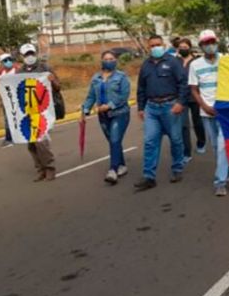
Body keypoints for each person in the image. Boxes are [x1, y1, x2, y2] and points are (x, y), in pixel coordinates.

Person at [135, 35, 189, 191]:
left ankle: (177, 168)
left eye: (158, 45)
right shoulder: (145, 65)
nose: (155, 48)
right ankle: (149, 176)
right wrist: (140, 107)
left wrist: (180, 102)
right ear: (148, 47)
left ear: (163, 45)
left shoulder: (173, 62)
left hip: (170, 106)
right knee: (150, 141)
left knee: (176, 139)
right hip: (151, 108)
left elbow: (183, 84)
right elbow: (141, 88)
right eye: (152, 45)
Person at [189, 30, 229, 196]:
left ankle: (219, 182)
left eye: (212, 42)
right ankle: (226, 168)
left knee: (222, 147)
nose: (210, 46)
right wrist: (205, 106)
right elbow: (194, 89)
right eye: (206, 43)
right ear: (201, 46)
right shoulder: (195, 65)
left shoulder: (227, 60)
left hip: (225, 111)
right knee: (215, 147)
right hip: (206, 112)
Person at [81, 51, 131, 184]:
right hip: (103, 116)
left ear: (116, 60)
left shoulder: (121, 77)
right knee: (113, 141)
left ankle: (112, 170)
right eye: (106, 59)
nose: (109, 61)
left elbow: (124, 96)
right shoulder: (96, 78)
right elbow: (91, 95)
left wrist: (109, 106)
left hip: (119, 113)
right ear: (102, 61)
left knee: (115, 139)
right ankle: (121, 165)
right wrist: (85, 110)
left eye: (111, 59)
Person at [17, 43, 60, 182]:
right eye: (26, 54)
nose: (29, 57)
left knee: (41, 142)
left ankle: (50, 168)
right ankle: (40, 169)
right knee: (31, 143)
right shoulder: (20, 72)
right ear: (22, 56)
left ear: (35, 53)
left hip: (42, 111)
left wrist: (52, 81)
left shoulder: (45, 68)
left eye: (31, 53)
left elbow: (58, 87)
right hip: (27, 111)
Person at [176, 38, 206, 162]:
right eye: (181, 47)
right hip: (180, 96)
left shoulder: (196, 61)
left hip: (194, 95)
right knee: (183, 125)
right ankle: (186, 152)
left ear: (190, 47)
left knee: (197, 122)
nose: (183, 49)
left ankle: (201, 142)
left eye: (185, 46)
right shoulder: (175, 61)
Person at [0, 53, 18, 148]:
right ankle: (9, 139)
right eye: (5, 60)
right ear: (2, 63)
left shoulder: (17, 70)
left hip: (18, 98)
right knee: (8, 118)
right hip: (7, 99)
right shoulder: (1, 73)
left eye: (9, 59)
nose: (8, 62)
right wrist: (1, 100)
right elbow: (0, 87)